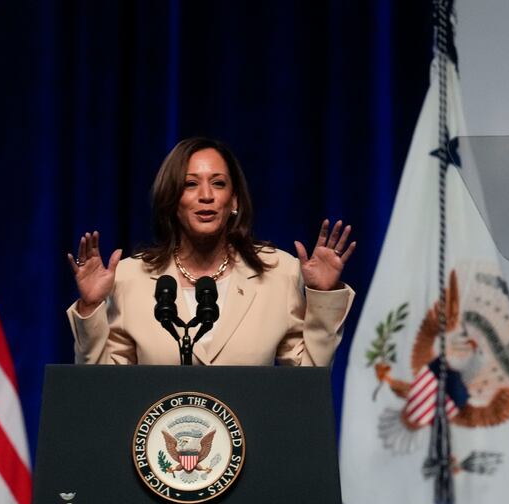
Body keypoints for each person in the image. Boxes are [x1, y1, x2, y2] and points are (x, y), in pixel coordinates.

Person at [66, 137, 356, 366]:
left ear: (234, 201)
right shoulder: (130, 277)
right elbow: (103, 390)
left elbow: (307, 385)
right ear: (171, 200)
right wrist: (91, 307)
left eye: (218, 183)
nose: (206, 196)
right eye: (190, 184)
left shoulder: (279, 272)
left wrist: (322, 297)